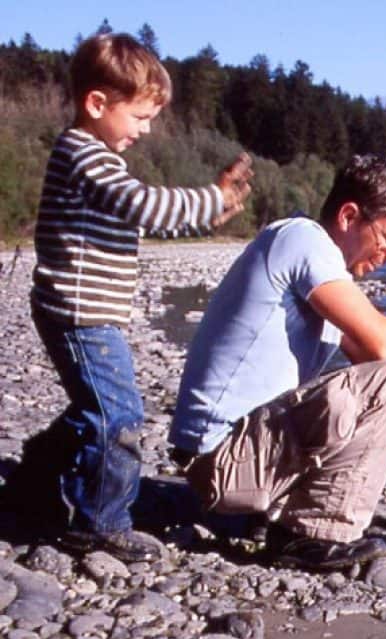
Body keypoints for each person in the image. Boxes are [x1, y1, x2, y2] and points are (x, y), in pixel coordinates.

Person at [168, 154, 386, 572]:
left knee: (378, 379)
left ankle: (293, 520)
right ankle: (314, 534)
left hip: (222, 460)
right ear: (350, 216)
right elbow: (384, 347)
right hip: (222, 464)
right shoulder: (303, 241)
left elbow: (368, 351)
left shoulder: (320, 265)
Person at [8, 32, 252, 562]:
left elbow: (136, 218)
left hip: (86, 312)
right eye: (141, 117)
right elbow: (138, 204)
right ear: (98, 103)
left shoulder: (93, 157)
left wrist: (206, 214)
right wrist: (211, 197)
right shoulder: (83, 154)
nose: (146, 130)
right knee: (120, 418)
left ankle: (35, 475)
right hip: (79, 314)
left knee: (95, 407)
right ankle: (101, 523)